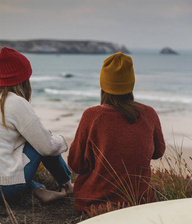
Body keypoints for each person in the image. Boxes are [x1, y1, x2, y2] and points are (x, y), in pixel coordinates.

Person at [0, 47, 73, 204]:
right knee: (44, 138)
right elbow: (46, 147)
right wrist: (61, 140)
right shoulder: (16, 102)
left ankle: (38, 190)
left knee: (26, 142)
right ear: (24, 79)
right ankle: (67, 183)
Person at [68, 52, 166, 211]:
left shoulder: (92, 116)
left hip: (97, 205)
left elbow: (76, 164)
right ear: (131, 84)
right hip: (140, 202)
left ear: (103, 85)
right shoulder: (149, 113)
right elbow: (158, 152)